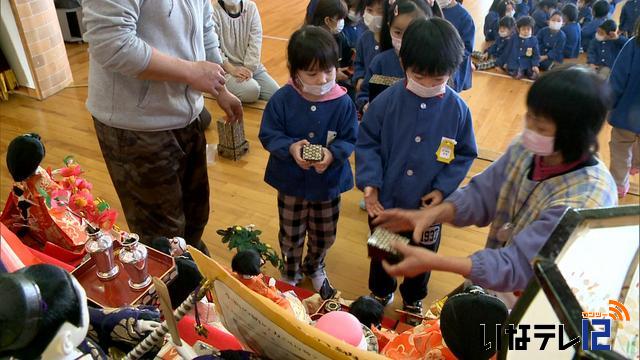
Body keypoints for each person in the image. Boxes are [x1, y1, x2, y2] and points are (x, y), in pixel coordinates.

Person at [372, 65, 617, 306]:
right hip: (498, 283)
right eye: (529, 117)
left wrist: (434, 261)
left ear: (575, 135)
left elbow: (519, 266)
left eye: (541, 127)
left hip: (542, 302)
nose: (529, 129)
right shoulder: (528, 148)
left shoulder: (585, 199)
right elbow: (482, 194)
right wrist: (429, 215)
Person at [82, 0, 243, 254]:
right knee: (162, 238)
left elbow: (204, 29)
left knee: (195, 217)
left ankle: (192, 267)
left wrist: (220, 88)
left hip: (187, 115)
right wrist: (191, 72)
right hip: (136, 127)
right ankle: (176, 284)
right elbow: (112, 44)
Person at [356, 18, 477, 318]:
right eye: (418, 75)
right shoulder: (387, 102)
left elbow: (465, 153)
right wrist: (370, 185)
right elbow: (367, 142)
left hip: (427, 212)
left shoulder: (458, 110)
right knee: (384, 251)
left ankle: (413, 297)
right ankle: (381, 290)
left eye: (437, 79)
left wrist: (441, 190)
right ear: (403, 63)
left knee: (422, 256)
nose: (426, 84)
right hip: (387, 206)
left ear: (453, 72)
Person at [258, 26, 358, 298]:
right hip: (291, 182)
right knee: (290, 231)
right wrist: (290, 147)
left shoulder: (343, 102)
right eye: (312, 73)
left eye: (328, 70)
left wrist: (333, 153)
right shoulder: (282, 99)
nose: (322, 79)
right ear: (294, 71)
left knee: (325, 232)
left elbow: (350, 138)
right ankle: (291, 271)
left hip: (328, 183)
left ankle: (315, 265)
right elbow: (268, 133)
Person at [356, 0, 432, 112]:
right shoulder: (380, 62)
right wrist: (365, 106)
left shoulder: (431, 65)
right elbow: (364, 94)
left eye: (411, 32)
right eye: (397, 32)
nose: (404, 38)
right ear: (389, 27)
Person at [212, 0, 280, 103]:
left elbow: (255, 41)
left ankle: (242, 86)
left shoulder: (251, 8)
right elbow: (213, 47)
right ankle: (220, 89)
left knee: (277, 95)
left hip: (252, 68)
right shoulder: (213, 11)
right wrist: (232, 69)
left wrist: (249, 69)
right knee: (252, 91)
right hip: (225, 70)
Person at [608, 24, 640, 198]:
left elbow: (617, 79)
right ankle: (637, 165)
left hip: (626, 113)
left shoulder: (633, 45)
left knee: (620, 147)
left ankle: (619, 184)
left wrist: (609, 103)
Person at [306, 0, 355, 99]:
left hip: (338, 84)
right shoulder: (309, 43)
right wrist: (334, 75)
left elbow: (349, 56)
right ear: (328, 20)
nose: (342, 22)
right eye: (340, 19)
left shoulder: (339, 37)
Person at [439, 0, 476, 91]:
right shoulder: (431, 9)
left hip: (451, 68)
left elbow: (467, 47)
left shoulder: (464, 18)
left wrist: (449, 58)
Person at [354, 0, 384, 93]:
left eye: (380, 12)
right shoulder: (364, 38)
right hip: (365, 93)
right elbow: (358, 63)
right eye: (369, 10)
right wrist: (359, 77)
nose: (374, 16)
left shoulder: (393, 41)